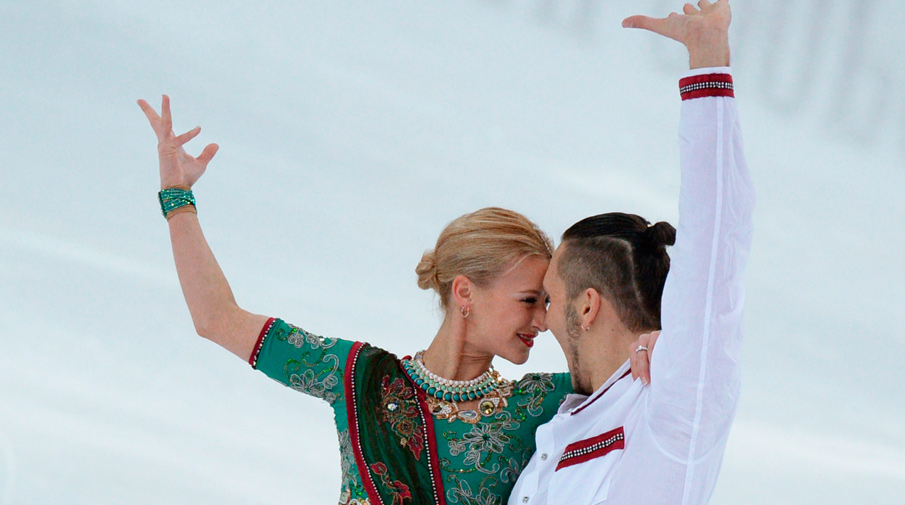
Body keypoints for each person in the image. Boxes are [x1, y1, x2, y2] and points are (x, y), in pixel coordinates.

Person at [138, 112, 572, 501]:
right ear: (465, 292)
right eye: (529, 301)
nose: (543, 320)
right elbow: (216, 318)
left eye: (547, 302)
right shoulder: (360, 378)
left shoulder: (543, 402)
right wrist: (177, 197)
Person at [507, 0, 754, 504]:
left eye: (548, 299)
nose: (540, 320)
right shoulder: (558, 431)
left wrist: (708, 66)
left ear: (588, 306)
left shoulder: (669, 407)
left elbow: (714, 251)